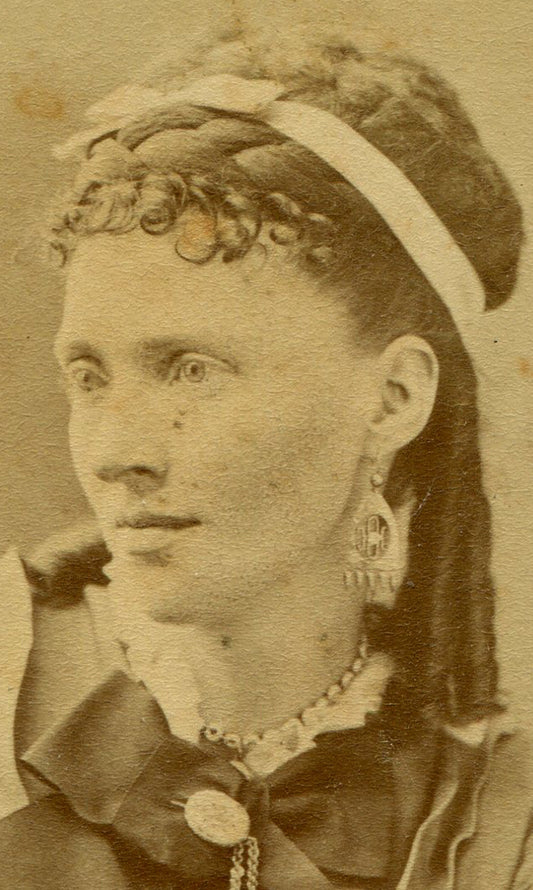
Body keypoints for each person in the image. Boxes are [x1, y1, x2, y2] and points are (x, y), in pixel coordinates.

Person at [0, 31, 531, 890]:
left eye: (192, 369)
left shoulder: (497, 826)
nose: (115, 455)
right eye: (89, 376)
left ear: (394, 398)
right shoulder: (11, 685)